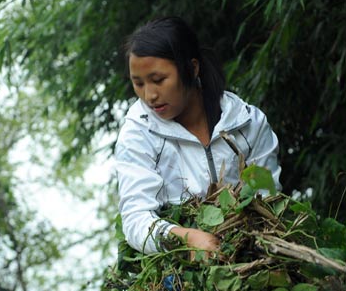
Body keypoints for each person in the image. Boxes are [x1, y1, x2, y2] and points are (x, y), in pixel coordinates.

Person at [115, 16, 281, 256]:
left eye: (158, 80)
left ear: (192, 68)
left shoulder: (248, 123)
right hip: (177, 272)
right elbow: (135, 220)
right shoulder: (138, 133)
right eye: (138, 83)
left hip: (253, 256)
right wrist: (185, 239)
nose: (149, 95)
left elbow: (269, 200)